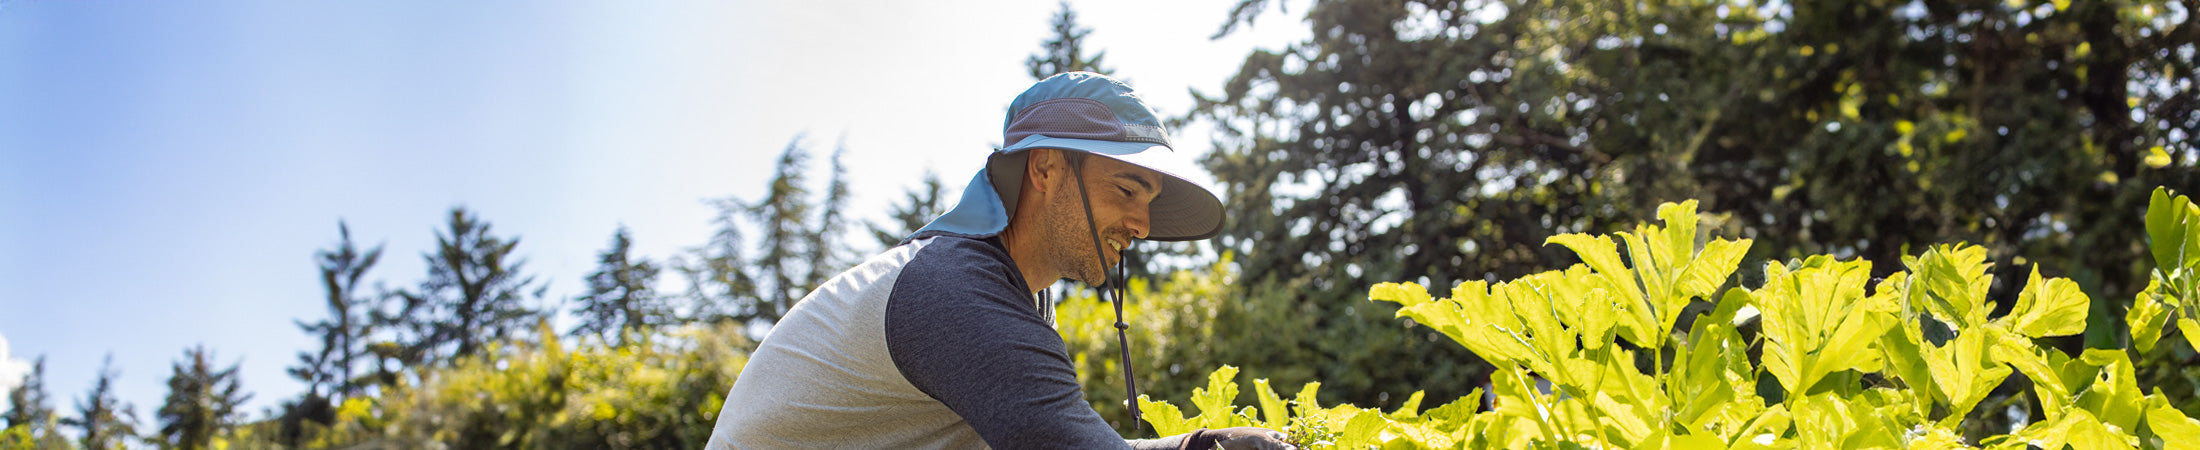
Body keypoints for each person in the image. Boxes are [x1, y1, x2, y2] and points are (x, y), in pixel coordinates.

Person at [705, 72, 1295, 450]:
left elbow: (1072, 438)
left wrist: (1198, 445)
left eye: (1150, 202)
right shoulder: (958, 296)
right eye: (1126, 190)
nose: (1141, 227)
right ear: (1044, 169)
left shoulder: (1012, 292)